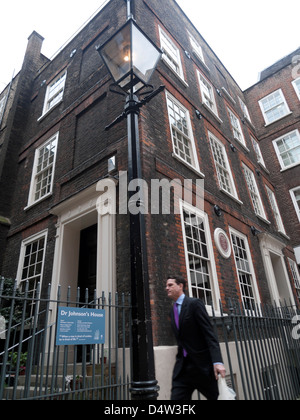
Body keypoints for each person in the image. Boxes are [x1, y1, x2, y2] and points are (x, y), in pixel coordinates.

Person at [166, 275, 226, 401]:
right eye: (166, 286)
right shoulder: (173, 311)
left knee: (219, 397)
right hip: (183, 368)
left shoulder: (194, 304)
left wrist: (217, 362)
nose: (167, 288)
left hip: (202, 367)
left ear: (180, 286)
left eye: (170, 285)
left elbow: (209, 334)